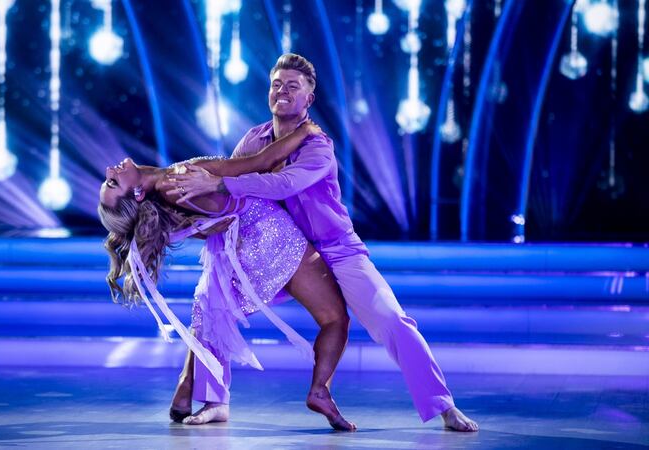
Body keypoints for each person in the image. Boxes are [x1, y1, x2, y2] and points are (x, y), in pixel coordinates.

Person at [164, 53, 479, 432]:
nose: (282, 90)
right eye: (277, 84)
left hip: (336, 251)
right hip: (277, 251)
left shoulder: (318, 146)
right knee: (211, 299)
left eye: (293, 86)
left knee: (392, 319)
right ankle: (214, 401)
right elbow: (234, 194)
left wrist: (218, 182)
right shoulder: (255, 139)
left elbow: (283, 184)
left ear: (308, 99)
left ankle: (443, 406)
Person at [98, 121, 357, 431]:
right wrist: (304, 133)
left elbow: (210, 222)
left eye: (108, 180)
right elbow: (255, 164)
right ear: (138, 193)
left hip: (241, 251)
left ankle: (192, 392)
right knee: (335, 318)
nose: (109, 172)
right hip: (272, 235)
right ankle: (319, 390)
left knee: (211, 307)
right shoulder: (176, 181)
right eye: (113, 183)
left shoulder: (167, 197)